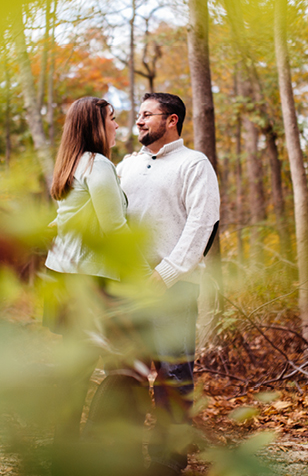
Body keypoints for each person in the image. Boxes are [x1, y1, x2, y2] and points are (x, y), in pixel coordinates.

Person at [43, 96, 150, 476]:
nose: (119, 126)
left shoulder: (71, 164)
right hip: (95, 283)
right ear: (95, 126)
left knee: (75, 371)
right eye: (113, 119)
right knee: (123, 367)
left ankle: (65, 455)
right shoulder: (99, 165)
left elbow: (66, 220)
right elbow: (115, 231)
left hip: (66, 279)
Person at [117, 92, 221, 476]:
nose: (139, 121)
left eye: (147, 114)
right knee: (123, 370)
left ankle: (167, 462)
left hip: (173, 286)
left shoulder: (194, 164)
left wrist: (166, 273)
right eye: (138, 115)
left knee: (173, 375)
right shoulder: (125, 166)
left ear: (172, 119)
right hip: (127, 286)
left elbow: (203, 223)